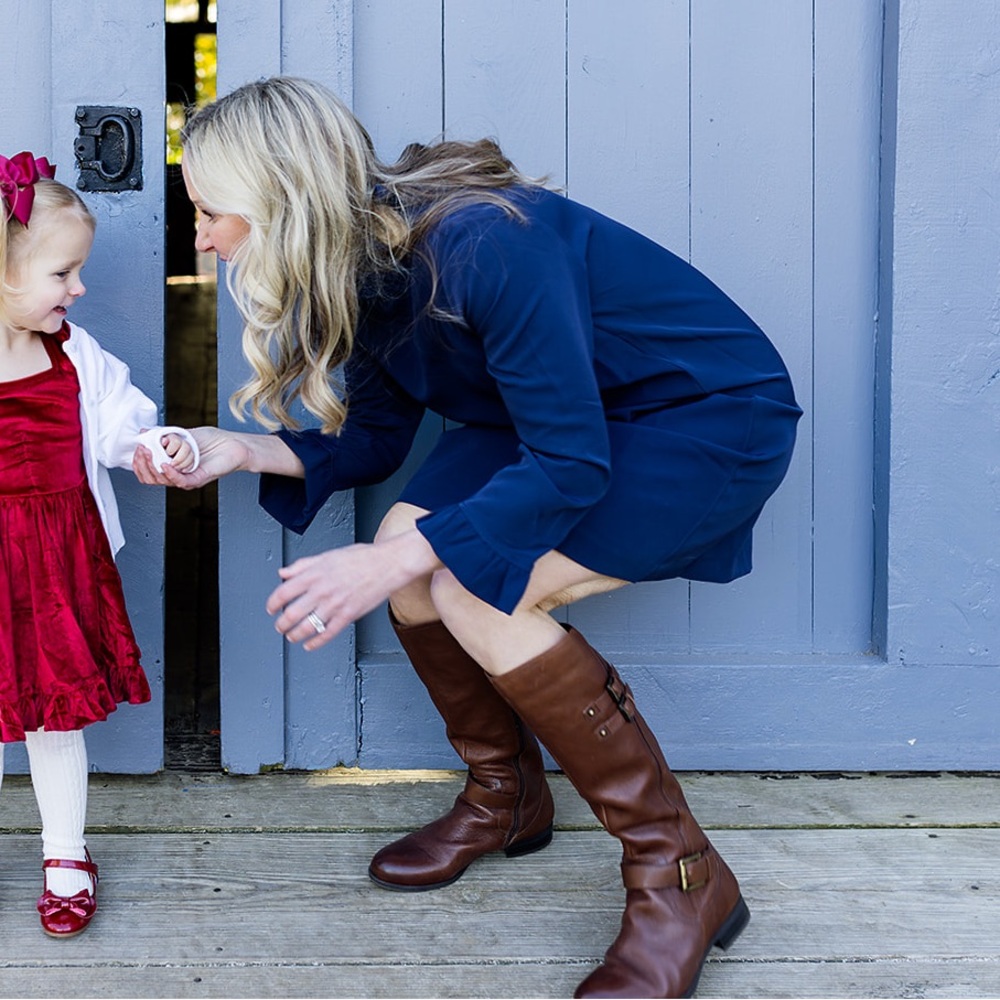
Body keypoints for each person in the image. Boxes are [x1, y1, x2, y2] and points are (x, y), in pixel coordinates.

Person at [136, 76, 801, 998]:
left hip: (696, 416)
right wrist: (234, 449)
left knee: (468, 582)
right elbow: (374, 440)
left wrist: (397, 556)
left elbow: (570, 462)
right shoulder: (359, 259)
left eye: (212, 212)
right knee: (420, 553)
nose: (201, 238)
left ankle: (680, 875)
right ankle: (508, 796)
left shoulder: (486, 243)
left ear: (280, 197)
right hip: (549, 425)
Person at [0, 151, 199, 938]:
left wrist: (156, 447)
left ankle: (64, 853)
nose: (78, 289)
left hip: (52, 569)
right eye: (62, 273)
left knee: (56, 718)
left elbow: (121, 422)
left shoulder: (74, 355)